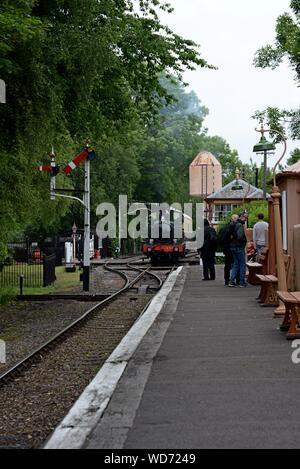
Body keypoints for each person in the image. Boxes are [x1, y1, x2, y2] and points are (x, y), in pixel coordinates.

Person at [229, 213, 248, 287]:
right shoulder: (239, 225)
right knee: (242, 264)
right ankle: (242, 282)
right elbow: (239, 236)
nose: (246, 219)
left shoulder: (231, 224)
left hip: (232, 246)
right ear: (240, 217)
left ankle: (231, 281)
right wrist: (243, 240)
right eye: (245, 218)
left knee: (235, 264)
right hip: (239, 246)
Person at [218, 221, 233, 286]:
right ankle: (234, 280)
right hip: (231, 248)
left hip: (225, 248)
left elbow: (219, 239)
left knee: (227, 264)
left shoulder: (223, 228)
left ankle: (226, 279)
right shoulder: (232, 228)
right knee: (235, 264)